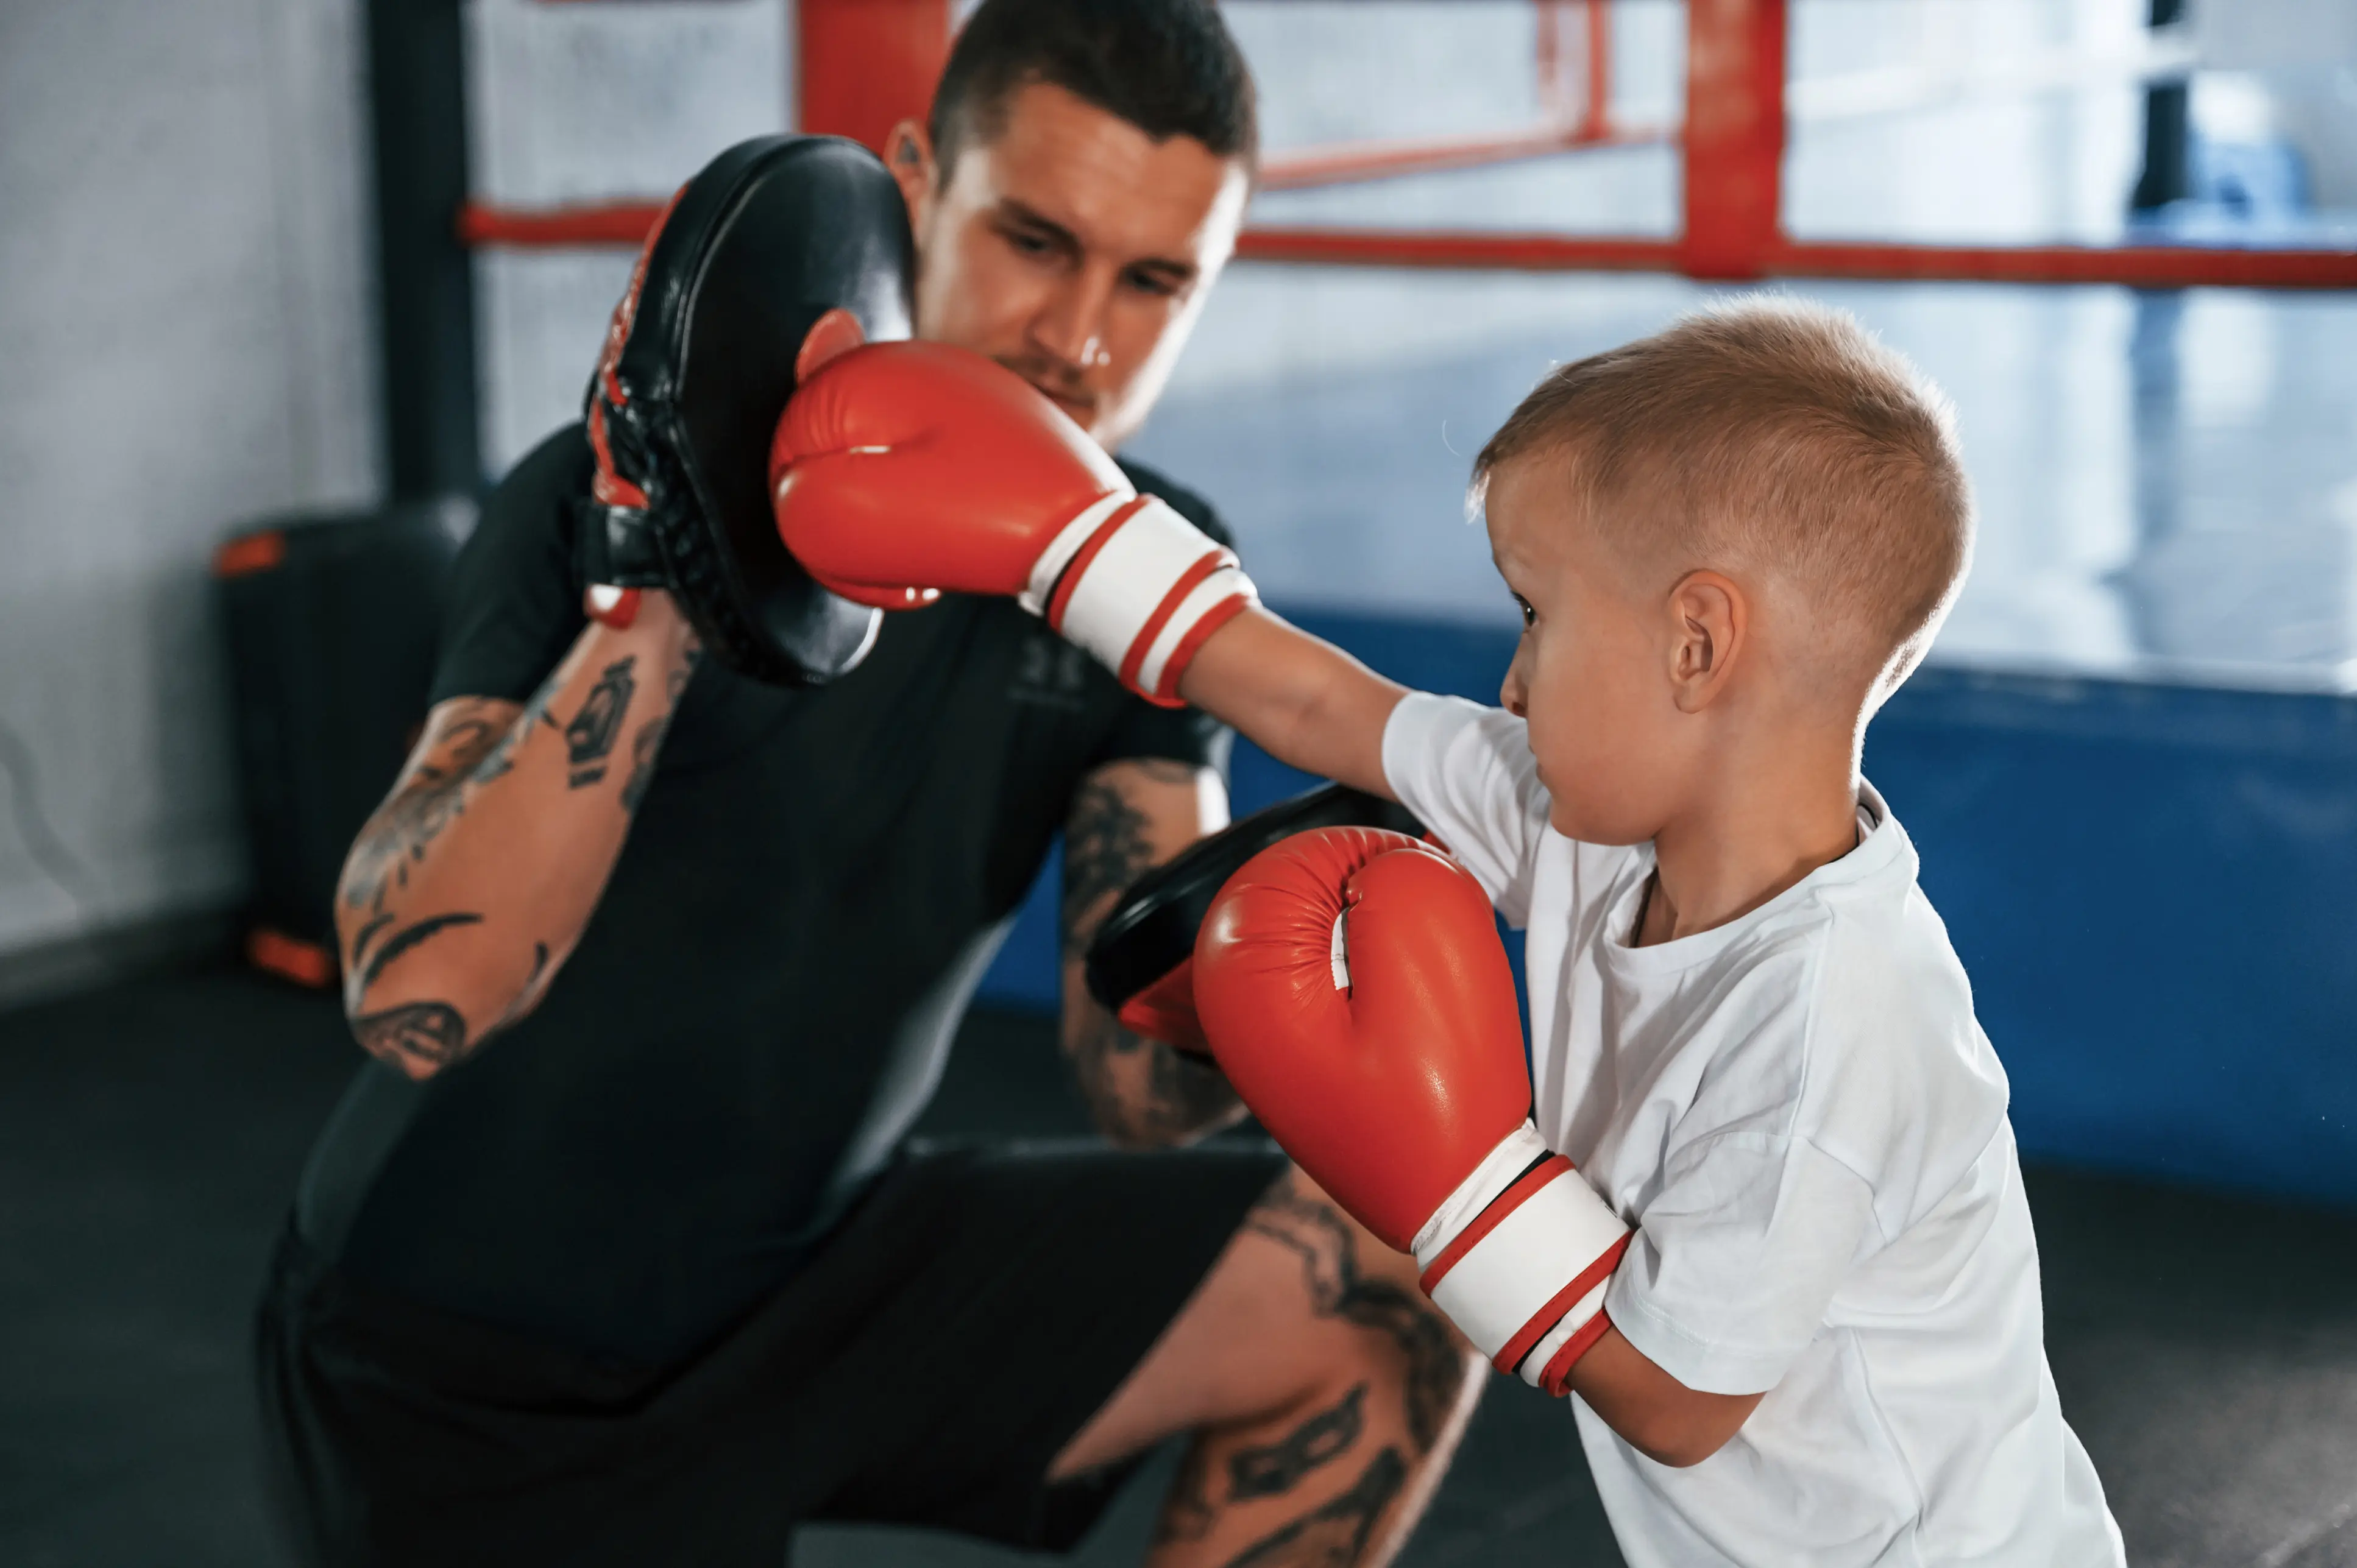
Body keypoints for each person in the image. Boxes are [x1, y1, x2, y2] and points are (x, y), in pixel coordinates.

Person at [255, 3, 1481, 1564]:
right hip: (460, 1363)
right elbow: (416, 992)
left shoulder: (1135, 561)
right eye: (1036, 240)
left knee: (1365, 1283)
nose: (1082, 338)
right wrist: (659, 583)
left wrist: (1321, 910)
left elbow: (1139, 1097)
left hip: (814, 1287)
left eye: (1155, 279)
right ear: (915, 184)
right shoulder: (600, 495)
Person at [768, 296, 2130, 1565]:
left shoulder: (1835, 1026)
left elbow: (1673, 1399)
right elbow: (1325, 710)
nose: (1512, 675)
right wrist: (1075, 542)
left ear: (1696, 647)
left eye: (1536, 613)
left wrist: (1455, 1182)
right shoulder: (1598, 833)